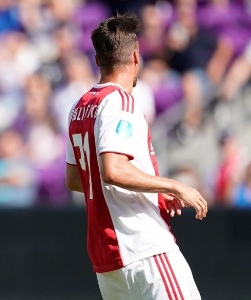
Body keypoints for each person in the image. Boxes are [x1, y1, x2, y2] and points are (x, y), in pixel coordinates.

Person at [64, 14, 208, 300]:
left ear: (97, 61)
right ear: (135, 56)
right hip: (143, 247)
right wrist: (173, 186)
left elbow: (76, 179)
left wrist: (151, 193)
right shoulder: (121, 101)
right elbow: (113, 170)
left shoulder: (79, 107)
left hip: (108, 259)